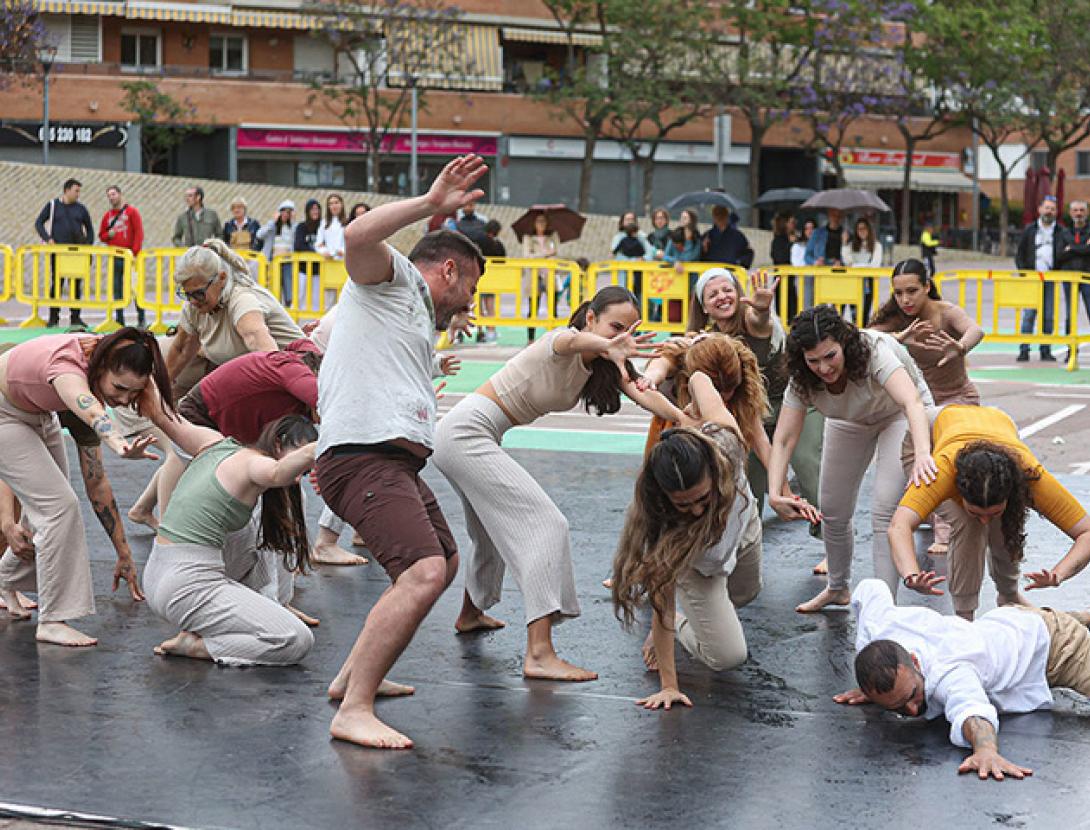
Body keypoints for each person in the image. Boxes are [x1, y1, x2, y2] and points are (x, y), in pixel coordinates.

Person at [313, 154, 487, 750]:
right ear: (448, 269)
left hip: (393, 459)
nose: (469, 301)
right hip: (363, 455)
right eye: (470, 288)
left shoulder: (411, 311)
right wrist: (431, 205)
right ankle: (353, 709)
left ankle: (352, 676)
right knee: (422, 572)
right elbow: (357, 236)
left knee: (444, 560)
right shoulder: (394, 280)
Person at [434, 285, 682, 684]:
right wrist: (608, 345)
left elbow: (643, 395)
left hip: (470, 435)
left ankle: (470, 614)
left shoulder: (604, 363)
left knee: (488, 534)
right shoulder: (561, 341)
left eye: (628, 330)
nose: (621, 337)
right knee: (547, 525)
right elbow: (570, 340)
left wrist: (686, 420)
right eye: (614, 327)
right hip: (464, 434)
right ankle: (539, 652)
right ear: (591, 318)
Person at [0, 328, 180, 646]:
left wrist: (124, 553)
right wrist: (120, 444)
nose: (123, 400)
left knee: (45, 513)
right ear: (101, 369)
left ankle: (5, 579)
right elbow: (95, 413)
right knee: (59, 508)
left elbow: (97, 483)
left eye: (133, 392)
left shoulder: (116, 353)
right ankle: (53, 620)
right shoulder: (68, 371)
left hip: (37, 414)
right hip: (5, 414)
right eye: (119, 388)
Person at [612, 371, 768, 710]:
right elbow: (663, 603)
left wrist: (689, 411)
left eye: (702, 498)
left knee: (747, 593)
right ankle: (678, 628)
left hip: (743, 527)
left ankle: (702, 614)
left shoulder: (726, 441)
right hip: (697, 563)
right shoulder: (658, 523)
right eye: (684, 505)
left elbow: (698, 376)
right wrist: (669, 686)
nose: (697, 510)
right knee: (728, 657)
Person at [767, 305, 936, 613]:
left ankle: (884, 607)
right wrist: (775, 491)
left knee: (885, 509)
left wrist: (923, 453)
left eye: (830, 356)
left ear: (844, 343)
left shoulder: (872, 350)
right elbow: (784, 437)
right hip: (848, 419)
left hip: (898, 414)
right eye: (813, 360)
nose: (823, 368)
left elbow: (911, 402)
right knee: (832, 508)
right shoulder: (802, 377)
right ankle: (838, 588)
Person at [835, 578, 1090, 781]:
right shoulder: (878, 629)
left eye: (912, 695)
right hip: (1009, 621)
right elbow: (870, 587)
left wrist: (985, 750)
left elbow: (972, 710)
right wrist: (873, 687)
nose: (912, 710)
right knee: (1046, 618)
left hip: (1056, 647)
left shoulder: (949, 672)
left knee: (1062, 626)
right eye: (898, 707)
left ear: (915, 661)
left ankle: (1075, 622)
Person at [144, 414, 318, 665]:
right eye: (299, 462)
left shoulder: (216, 445)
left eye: (306, 472)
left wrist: (276, 607)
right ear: (278, 443)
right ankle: (196, 646)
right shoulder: (252, 465)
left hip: (163, 573)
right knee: (295, 639)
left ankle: (210, 628)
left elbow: (165, 417)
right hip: (186, 585)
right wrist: (319, 448)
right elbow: (277, 472)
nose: (298, 477)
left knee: (272, 528)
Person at [887, 405, 1090, 619]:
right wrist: (912, 575)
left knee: (1008, 518)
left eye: (993, 512)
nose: (985, 520)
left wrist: (1059, 573)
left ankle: (1009, 596)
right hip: (925, 439)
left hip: (997, 425)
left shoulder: (1029, 474)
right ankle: (964, 616)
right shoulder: (942, 472)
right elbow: (899, 526)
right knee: (969, 523)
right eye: (977, 511)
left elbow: (1086, 532)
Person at [686, 269, 825, 556]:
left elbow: (760, 324)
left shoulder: (750, 319)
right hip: (753, 412)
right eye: (713, 294)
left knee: (807, 465)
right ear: (703, 307)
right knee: (748, 480)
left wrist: (762, 310)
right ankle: (746, 549)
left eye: (727, 290)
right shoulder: (706, 341)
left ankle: (831, 541)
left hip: (794, 400)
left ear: (739, 293)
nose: (722, 297)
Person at [869, 258, 984, 555]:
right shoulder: (897, 320)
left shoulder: (945, 313)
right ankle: (933, 519)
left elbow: (975, 330)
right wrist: (897, 338)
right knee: (921, 461)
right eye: (898, 293)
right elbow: (863, 339)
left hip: (959, 398)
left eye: (912, 291)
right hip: (922, 404)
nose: (905, 300)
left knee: (952, 463)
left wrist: (960, 347)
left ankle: (950, 528)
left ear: (927, 287)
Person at [165, 239, 304, 401]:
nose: (193, 301)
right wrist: (160, 389)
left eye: (198, 293)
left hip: (297, 376)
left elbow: (263, 350)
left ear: (222, 278)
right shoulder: (194, 307)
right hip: (261, 375)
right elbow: (181, 349)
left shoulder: (242, 300)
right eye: (186, 294)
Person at [34, 178, 94, 329]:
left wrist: (87, 247)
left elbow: (90, 229)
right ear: (67, 190)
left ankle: (76, 318)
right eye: (76, 191)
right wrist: (48, 238)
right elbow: (39, 223)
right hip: (59, 253)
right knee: (57, 284)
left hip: (77, 253)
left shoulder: (81, 209)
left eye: (79, 191)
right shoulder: (53, 205)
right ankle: (53, 318)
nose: (78, 194)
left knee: (76, 285)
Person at [1016, 195, 1068, 362]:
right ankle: (1024, 350)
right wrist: (1024, 273)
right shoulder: (1030, 230)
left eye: (1052, 209)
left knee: (1048, 316)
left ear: (1056, 212)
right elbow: (1020, 254)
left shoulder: (1061, 232)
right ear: (1040, 209)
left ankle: (1046, 350)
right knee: (1029, 315)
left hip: (1051, 279)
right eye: (1047, 208)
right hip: (1032, 279)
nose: (1049, 211)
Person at [99, 184, 145, 328]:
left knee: (135, 287)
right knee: (117, 288)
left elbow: (138, 232)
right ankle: (119, 319)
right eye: (109, 195)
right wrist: (108, 235)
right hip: (115, 257)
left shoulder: (132, 212)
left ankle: (141, 318)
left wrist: (135, 252)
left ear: (120, 194)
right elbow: (101, 235)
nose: (111, 198)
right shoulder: (107, 216)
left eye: (113, 194)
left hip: (130, 256)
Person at [1057, 199, 1090, 358]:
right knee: (1070, 315)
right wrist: (1083, 248)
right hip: (1069, 279)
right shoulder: (1064, 233)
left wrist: (1071, 248)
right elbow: (1059, 255)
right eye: (1075, 210)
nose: (1079, 213)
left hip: (1087, 278)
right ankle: (1071, 350)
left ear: (1087, 212)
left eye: (1082, 210)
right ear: (1070, 213)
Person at [523, 213, 561, 342]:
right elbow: (527, 256)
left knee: (553, 308)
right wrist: (545, 254)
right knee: (533, 308)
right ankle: (530, 339)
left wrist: (543, 255)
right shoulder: (528, 237)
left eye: (544, 221)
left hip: (550, 274)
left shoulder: (553, 236)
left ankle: (554, 338)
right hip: (534, 276)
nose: (541, 224)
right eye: (538, 221)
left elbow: (556, 252)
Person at [258, 201, 298, 307]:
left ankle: (288, 306)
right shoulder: (272, 226)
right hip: (272, 261)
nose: (286, 214)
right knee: (273, 287)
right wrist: (273, 222)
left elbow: (296, 234)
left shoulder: (293, 227)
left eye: (289, 212)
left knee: (288, 287)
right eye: (283, 211)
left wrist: (293, 219)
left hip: (288, 262)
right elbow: (259, 234)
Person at [844, 217, 883, 324]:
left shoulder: (876, 245)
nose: (861, 231)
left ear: (869, 229)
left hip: (868, 282)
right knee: (854, 312)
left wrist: (857, 266)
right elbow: (847, 261)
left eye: (864, 228)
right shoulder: (851, 245)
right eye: (859, 229)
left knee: (865, 310)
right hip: (853, 281)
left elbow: (875, 264)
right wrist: (844, 243)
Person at [789, 217, 816, 320]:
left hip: (818, 279)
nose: (810, 231)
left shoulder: (819, 245)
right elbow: (796, 264)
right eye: (807, 228)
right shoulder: (798, 246)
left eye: (812, 228)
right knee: (806, 307)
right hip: (803, 279)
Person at [315, 193, 347, 262]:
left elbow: (351, 243)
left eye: (336, 203)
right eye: (331, 204)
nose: (334, 206)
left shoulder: (348, 222)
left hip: (344, 261)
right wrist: (324, 251)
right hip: (328, 261)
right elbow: (318, 243)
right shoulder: (324, 223)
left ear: (341, 204)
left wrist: (342, 251)